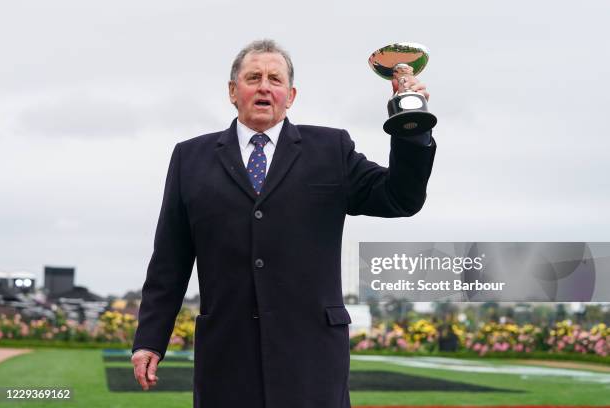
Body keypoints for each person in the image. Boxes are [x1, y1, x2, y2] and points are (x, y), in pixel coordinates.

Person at [131, 39, 436, 408]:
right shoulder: (189, 158)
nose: (264, 86)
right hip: (226, 360)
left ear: (290, 95)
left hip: (312, 361)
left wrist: (410, 128)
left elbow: (400, 198)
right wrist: (150, 338)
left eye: (275, 79)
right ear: (233, 91)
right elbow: (170, 261)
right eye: (253, 77)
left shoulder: (331, 150)